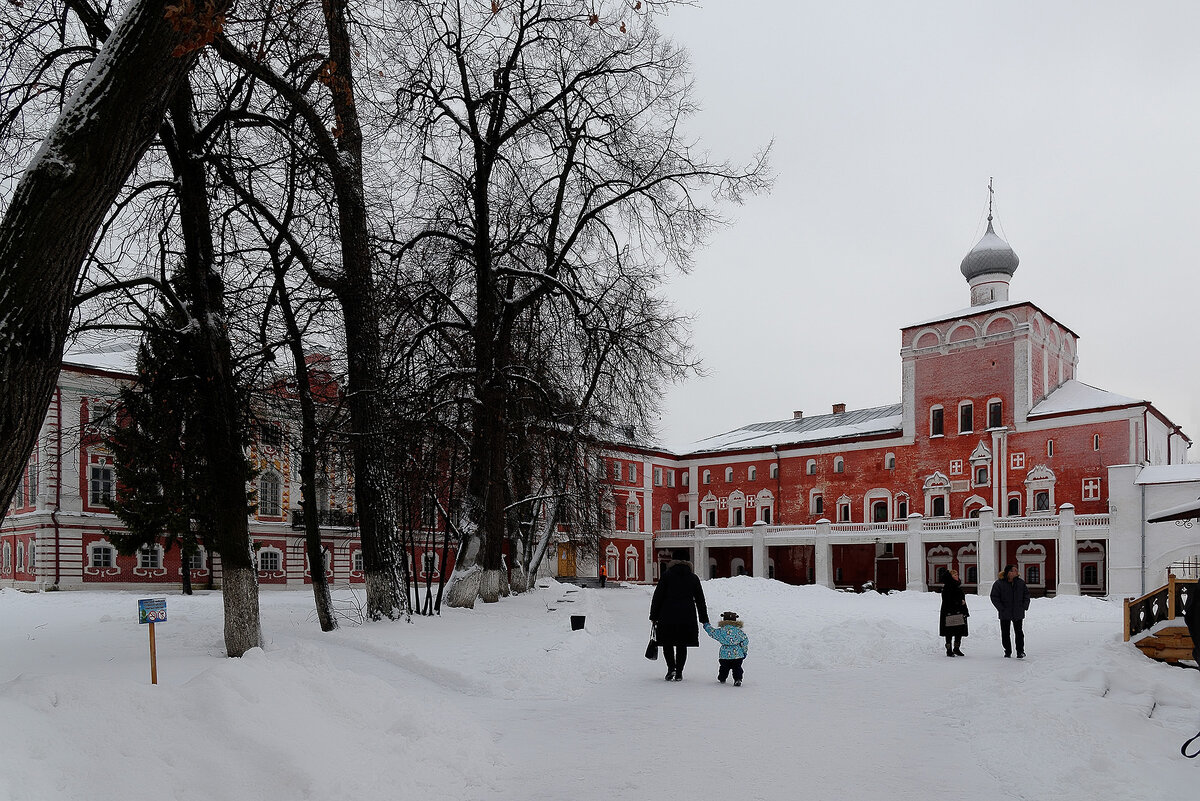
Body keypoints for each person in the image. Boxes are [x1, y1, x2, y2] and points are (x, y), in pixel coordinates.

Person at [649, 559, 709, 681]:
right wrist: (704, 619)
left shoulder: (666, 576)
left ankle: (671, 668)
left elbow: (658, 597)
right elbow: (700, 599)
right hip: (687, 615)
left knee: (668, 643)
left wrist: (654, 616)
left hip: (667, 614)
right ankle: (679, 672)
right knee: (682, 644)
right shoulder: (693, 578)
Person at [990, 563, 1031, 658]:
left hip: (1018, 611)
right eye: (1014, 570)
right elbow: (994, 597)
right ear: (1009, 572)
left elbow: (1026, 595)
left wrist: (1024, 606)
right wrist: (1001, 608)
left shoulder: (1021, 583)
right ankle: (1007, 651)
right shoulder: (999, 583)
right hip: (1005, 612)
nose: (1017, 572)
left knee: (1019, 632)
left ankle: (1020, 651)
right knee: (1005, 633)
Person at [704, 611, 750, 685]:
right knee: (737, 668)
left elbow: (712, 632)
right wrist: (744, 652)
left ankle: (722, 678)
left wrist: (706, 625)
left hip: (724, 655)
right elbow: (745, 641)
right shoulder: (739, 632)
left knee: (724, 668)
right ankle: (738, 679)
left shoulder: (721, 631)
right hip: (737, 654)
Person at [937, 567, 969, 657]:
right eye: (954, 574)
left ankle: (956, 648)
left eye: (957, 574)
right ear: (950, 576)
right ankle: (949, 650)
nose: (957, 576)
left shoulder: (956, 585)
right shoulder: (948, 587)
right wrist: (960, 602)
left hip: (959, 611)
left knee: (959, 631)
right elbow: (947, 599)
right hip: (950, 612)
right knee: (949, 632)